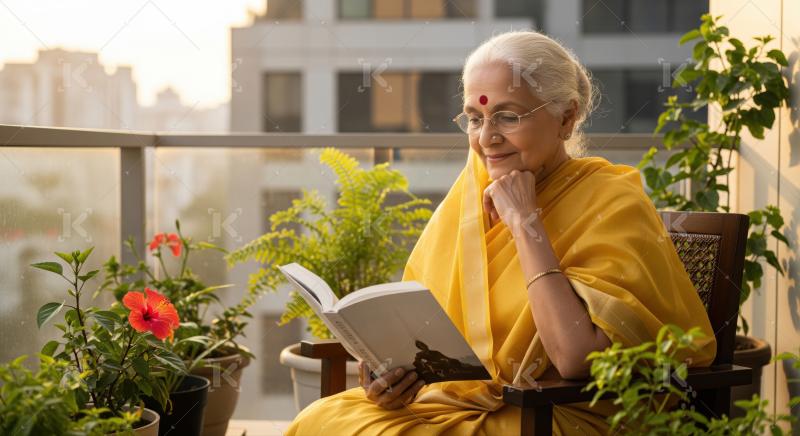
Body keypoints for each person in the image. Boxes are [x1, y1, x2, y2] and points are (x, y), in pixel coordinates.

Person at [284, 30, 716, 435]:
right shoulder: (470, 196)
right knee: (320, 420)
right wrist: (390, 375)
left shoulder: (612, 202)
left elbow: (576, 358)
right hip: (459, 402)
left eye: (506, 117)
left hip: (555, 411)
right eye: (474, 118)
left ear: (566, 118)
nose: (487, 138)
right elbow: (424, 331)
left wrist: (526, 222)